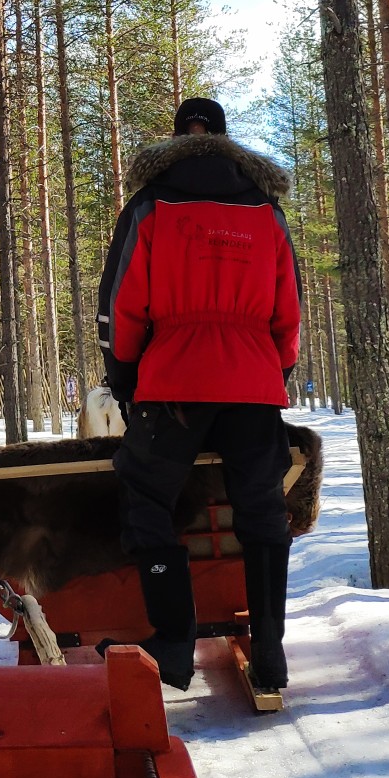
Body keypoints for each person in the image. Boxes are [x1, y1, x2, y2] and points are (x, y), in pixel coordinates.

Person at [95, 97, 300, 693]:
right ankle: (270, 653)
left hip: (176, 381)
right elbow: (289, 309)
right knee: (262, 513)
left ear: (179, 136)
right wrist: (275, 371)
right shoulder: (267, 209)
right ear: (225, 137)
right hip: (254, 383)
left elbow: (121, 301)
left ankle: (175, 642)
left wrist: (126, 377)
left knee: (144, 495)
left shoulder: (152, 202)